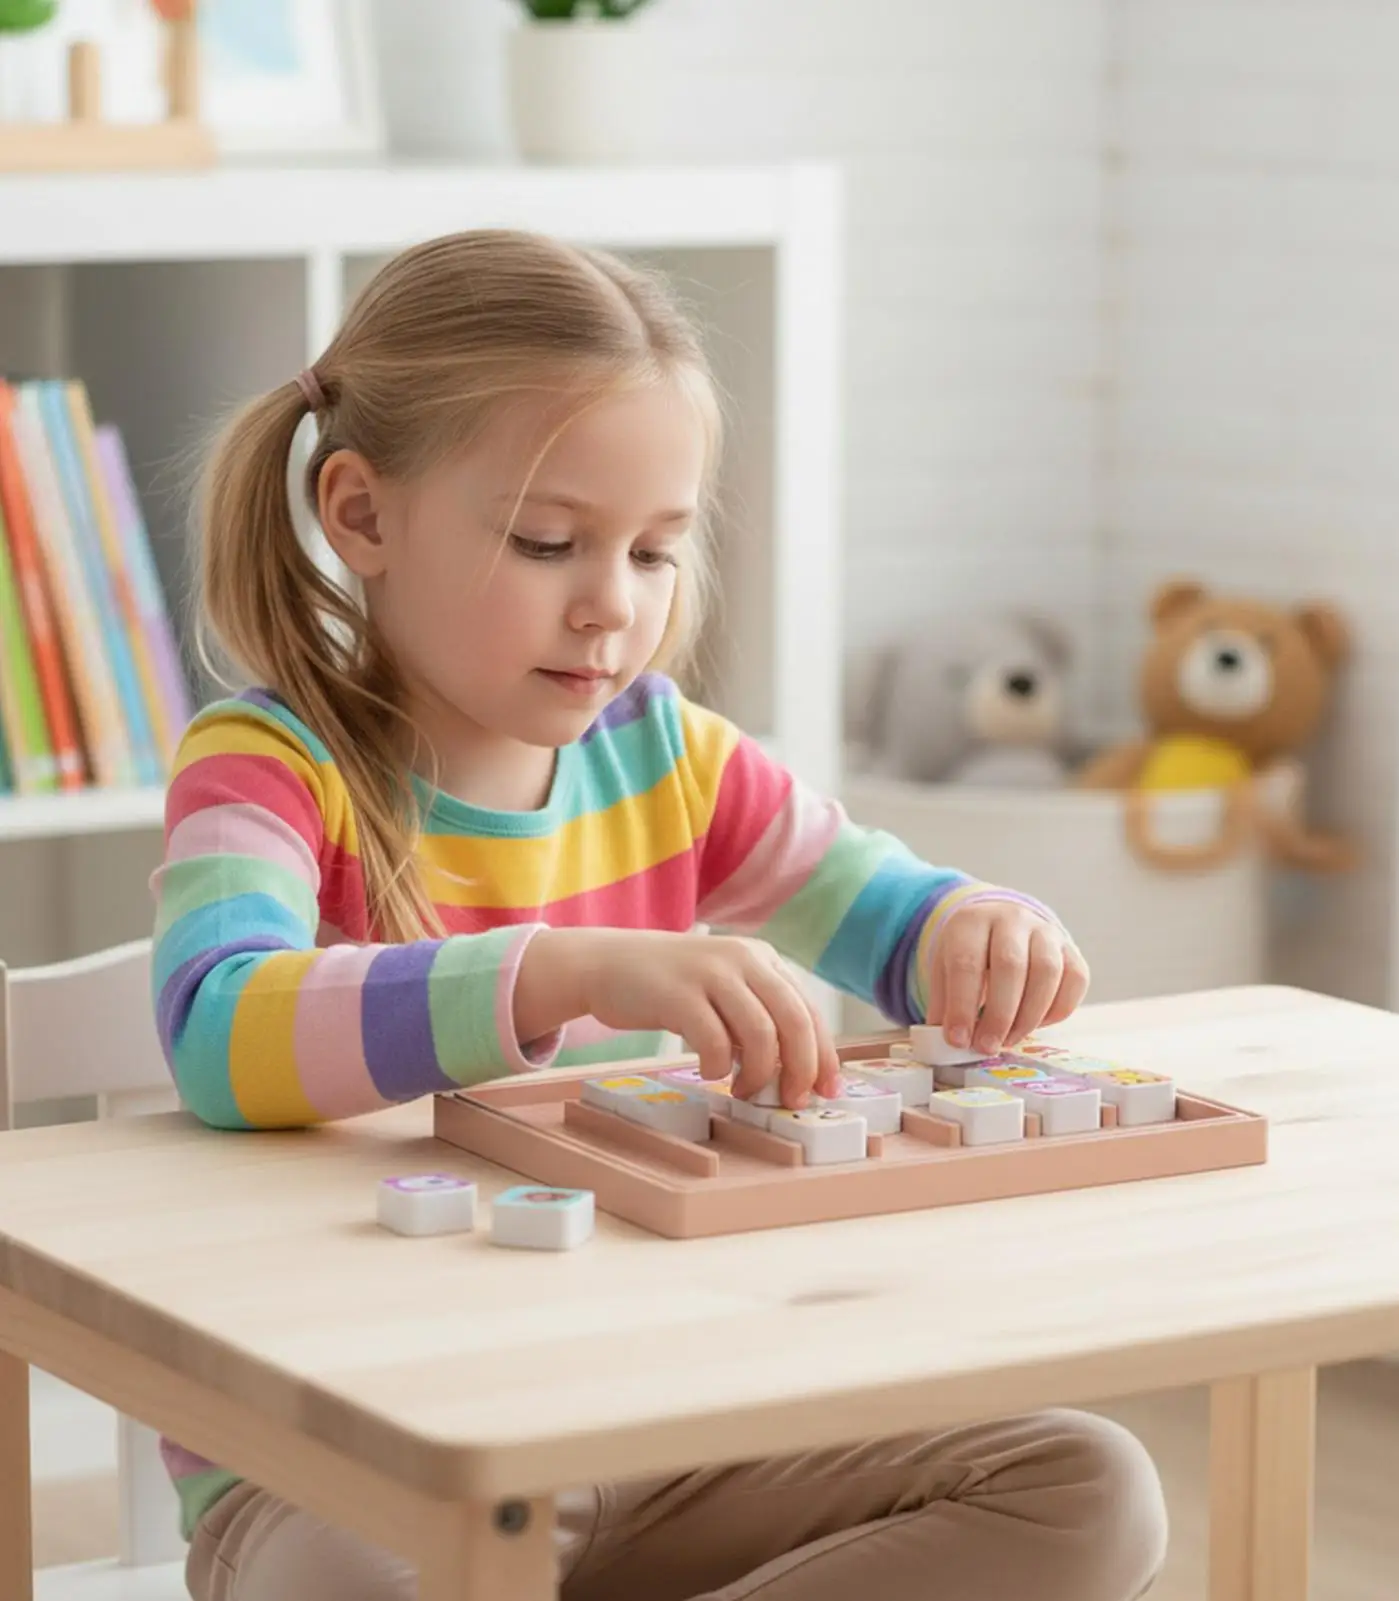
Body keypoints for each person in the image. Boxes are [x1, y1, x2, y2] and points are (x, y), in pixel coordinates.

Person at [151, 228, 1167, 1601]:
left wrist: (977, 928)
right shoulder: (269, 766)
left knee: (1086, 1487)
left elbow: (887, 915)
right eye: (550, 542)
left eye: (654, 552)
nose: (610, 610)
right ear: (362, 514)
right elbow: (218, 1030)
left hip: (659, 1420)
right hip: (342, 1456)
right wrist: (558, 969)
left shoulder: (667, 758)